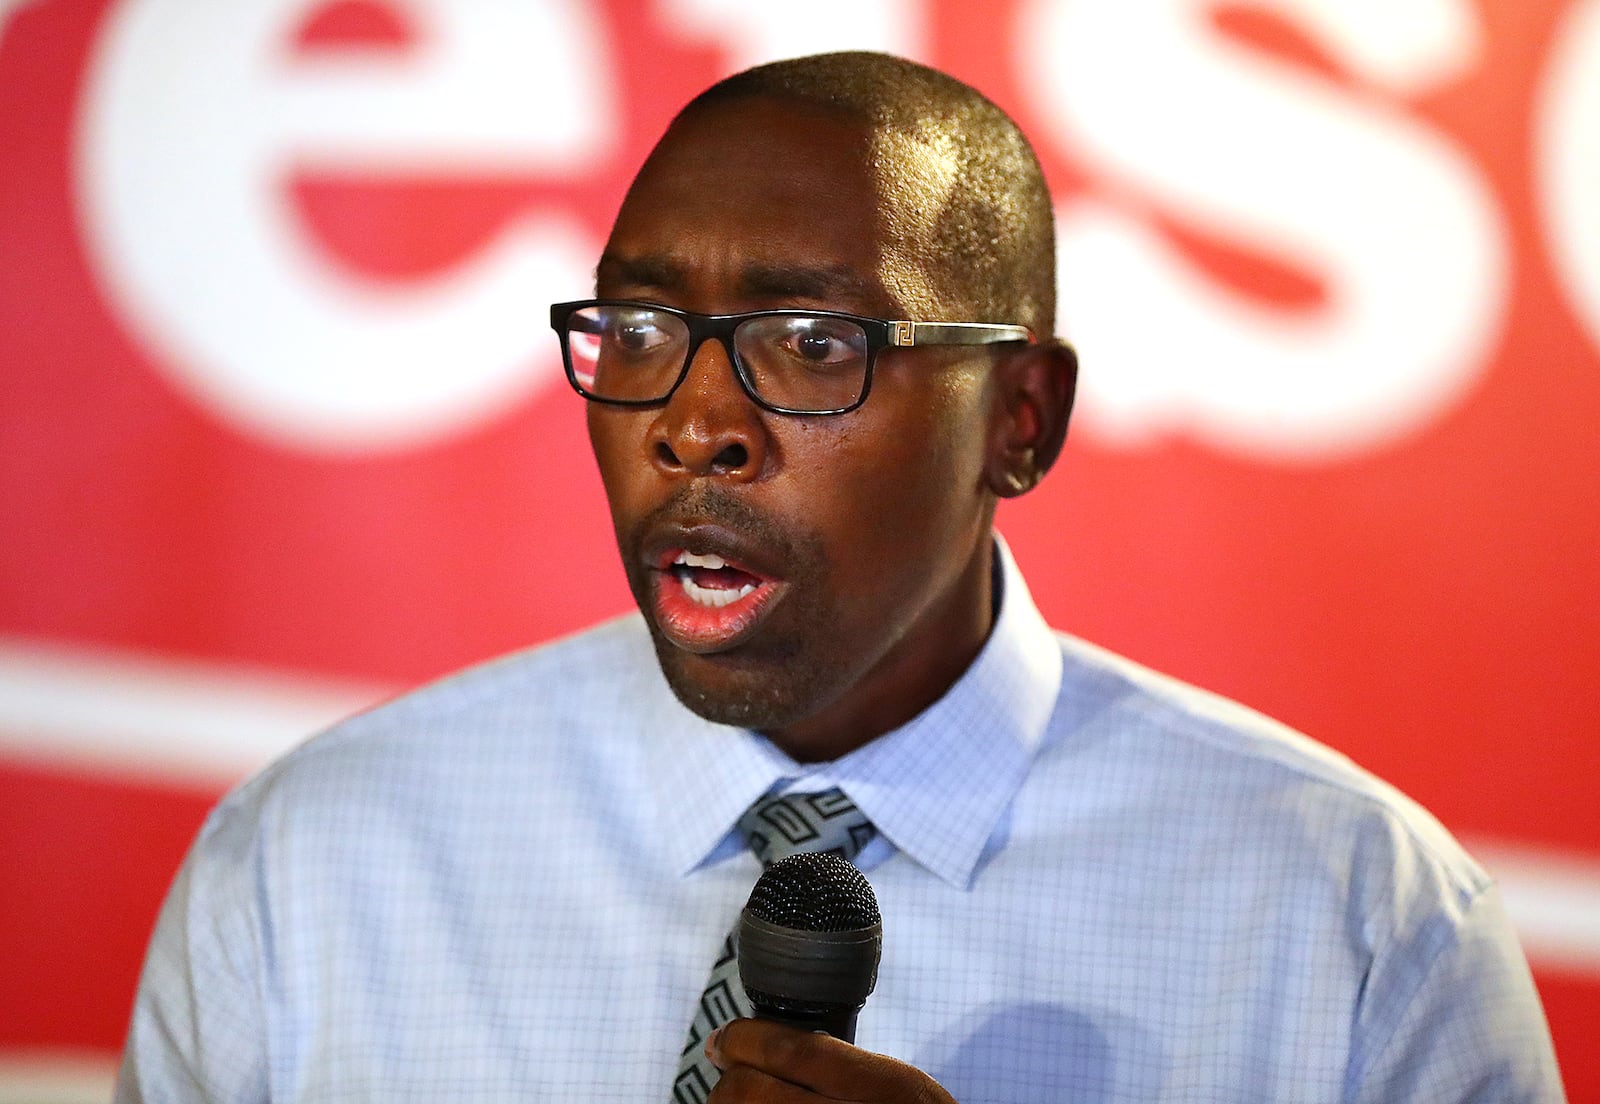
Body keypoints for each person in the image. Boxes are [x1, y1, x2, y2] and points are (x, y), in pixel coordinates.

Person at [116, 51, 1564, 1103]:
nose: (692, 420)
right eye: (634, 325)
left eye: (812, 342)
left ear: (1021, 421)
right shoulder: (315, 867)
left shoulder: (1355, 924)